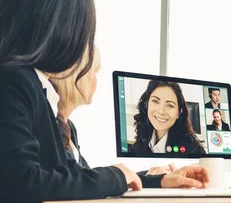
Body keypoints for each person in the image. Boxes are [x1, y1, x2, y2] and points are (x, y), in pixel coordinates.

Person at [0, 0, 209, 202]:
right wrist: (115, 176)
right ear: (61, 28)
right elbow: (21, 183)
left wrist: (156, 181)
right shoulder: (15, 80)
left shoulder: (33, 86)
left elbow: (71, 178)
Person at [52, 47, 178, 176]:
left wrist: (146, 176)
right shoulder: (51, 126)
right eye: (95, 71)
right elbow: (83, 181)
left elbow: (87, 179)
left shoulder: (68, 127)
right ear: (75, 75)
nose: (97, 79)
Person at [130, 80, 206, 154]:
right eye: (155, 101)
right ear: (147, 104)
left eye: (170, 105)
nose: (161, 111)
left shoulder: (194, 151)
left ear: (179, 112)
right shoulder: (142, 139)